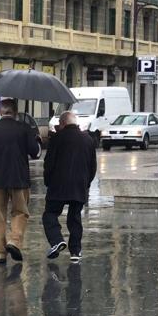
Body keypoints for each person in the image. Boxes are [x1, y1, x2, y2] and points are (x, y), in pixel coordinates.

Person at [0, 99, 41, 264]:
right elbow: (35, 152)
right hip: (19, 178)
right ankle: (15, 240)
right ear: (16, 112)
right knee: (20, 211)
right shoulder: (23, 128)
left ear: (1, 112)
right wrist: (34, 138)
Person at [42, 111, 97, 262]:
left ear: (63, 123)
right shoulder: (88, 140)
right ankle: (75, 252)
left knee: (50, 214)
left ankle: (56, 240)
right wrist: (86, 183)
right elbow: (93, 167)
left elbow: (49, 164)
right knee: (75, 218)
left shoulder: (56, 139)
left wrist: (48, 181)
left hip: (58, 186)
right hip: (79, 186)